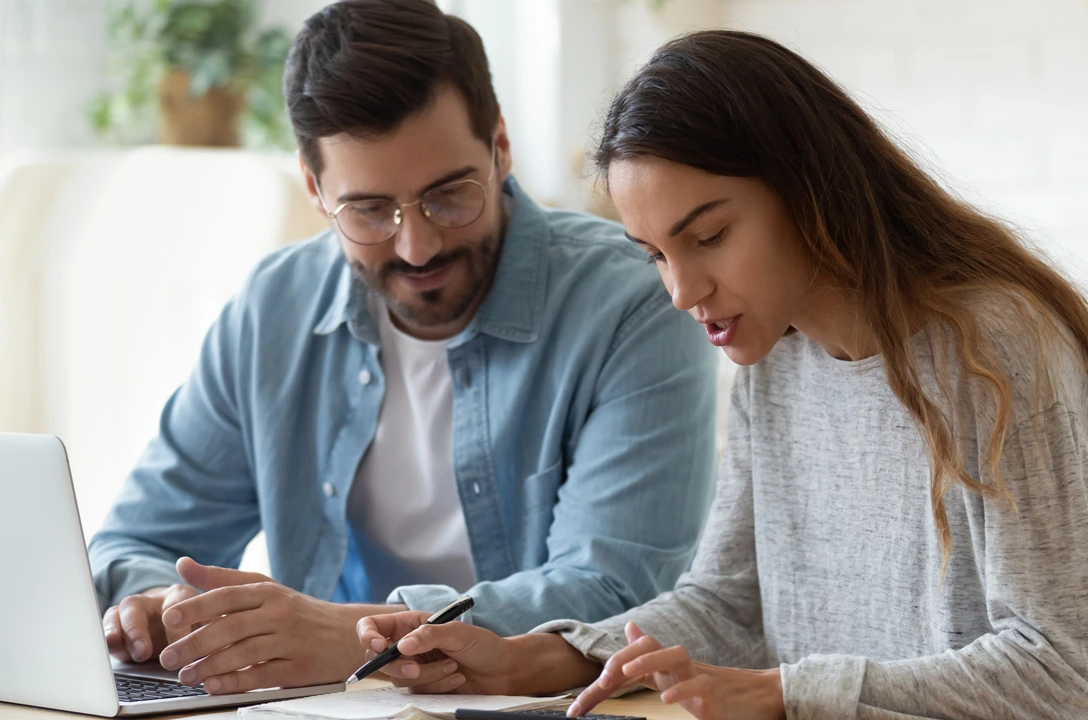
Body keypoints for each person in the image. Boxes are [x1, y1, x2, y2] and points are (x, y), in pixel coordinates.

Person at [353, 29, 1088, 720]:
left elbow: (1062, 673)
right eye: (657, 256)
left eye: (707, 236)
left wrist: (786, 694)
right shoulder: (774, 360)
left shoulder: (990, 348)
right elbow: (728, 605)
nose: (683, 292)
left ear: (806, 188)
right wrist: (530, 658)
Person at [88, 0, 718, 695]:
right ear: (314, 186)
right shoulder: (274, 308)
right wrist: (161, 607)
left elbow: (616, 588)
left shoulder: (632, 301)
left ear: (500, 146)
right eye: (368, 211)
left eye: (449, 195)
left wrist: (356, 633)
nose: (417, 245)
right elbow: (133, 543)